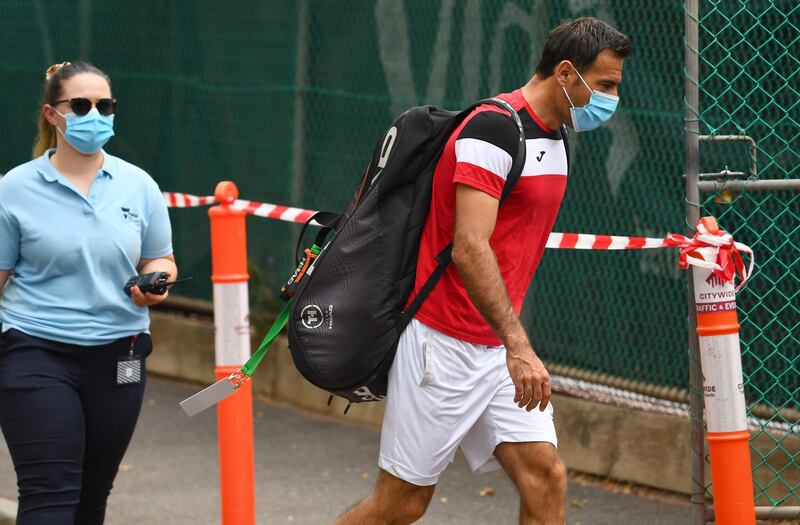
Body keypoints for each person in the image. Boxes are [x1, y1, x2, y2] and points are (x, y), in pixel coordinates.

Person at [334, 17, 633, 525]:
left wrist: (509, 344)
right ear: (565, 72)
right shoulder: (495, 129)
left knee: (545, 479)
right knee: (401, 504)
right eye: (604, 85)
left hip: (496, 347)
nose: (610, 99)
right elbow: (469, 248)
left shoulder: (557, 134)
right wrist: (519, 345)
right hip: (442, 345)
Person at [0, 61, 177, 525]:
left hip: (122, 354)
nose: (95, 114)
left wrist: (156, 282)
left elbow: (160, 258)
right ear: (52, 114)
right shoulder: (14, 189)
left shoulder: (139, 185)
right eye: (81, 105)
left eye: (106, 105)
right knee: (50, 495)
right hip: (34, 351)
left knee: (92, 497)